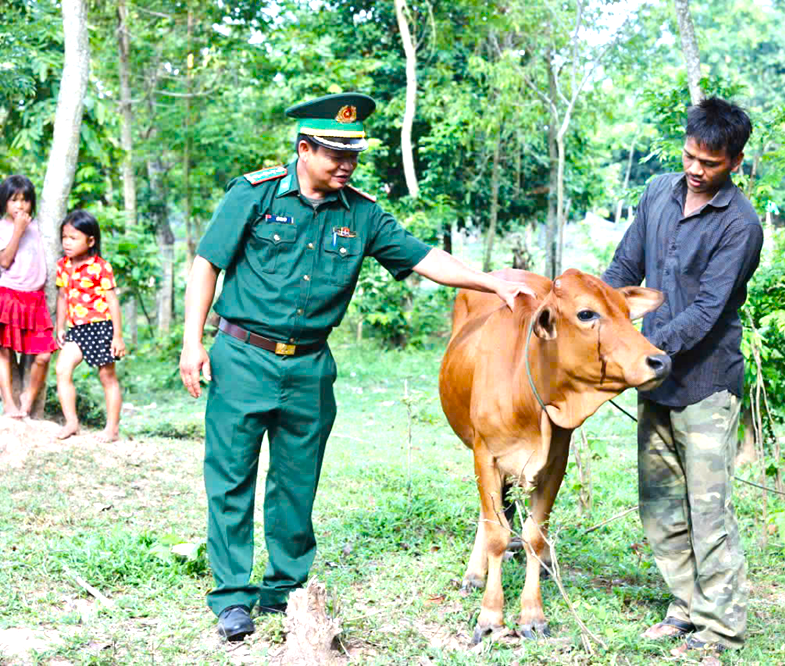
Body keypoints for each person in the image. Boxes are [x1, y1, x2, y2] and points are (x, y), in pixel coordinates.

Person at [178, 93, 535, 643]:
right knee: (231, 480)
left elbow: (423, 258)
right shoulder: (255, 195)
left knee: (297, 481)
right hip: (242, 354)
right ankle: (231, 598)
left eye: (353, 154)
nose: (346, 163)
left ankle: (285, 589)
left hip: (310, 367)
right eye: (333, 153)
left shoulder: (363, 213)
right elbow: (208, 263)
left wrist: (492, 282)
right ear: (304, 148)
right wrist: (191, 342)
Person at [602, 97, 763, 657]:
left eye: (710, 163)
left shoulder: (740, 225)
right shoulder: (657, 192)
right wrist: (596, 315)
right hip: (657, 380)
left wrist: (633, 349)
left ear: (735, 163)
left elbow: (705, 315)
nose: (696, 170)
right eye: (691, 156)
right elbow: (624, 269)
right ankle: (686, 609)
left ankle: (721, 630)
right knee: (662, 506)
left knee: (708, 512)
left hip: (706, 385)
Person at [53, 210, 127, 442]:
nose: (67, 242)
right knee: (62, 370)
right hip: (76, 330)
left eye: (73, 238)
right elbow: (62, 297)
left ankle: (112, 429)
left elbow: (112, 301)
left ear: (91, 240)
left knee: (107, 377)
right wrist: (60, 326)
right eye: (64, 237)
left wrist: (118, 336)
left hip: (100, 327)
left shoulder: (101, 267)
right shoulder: (63, 266)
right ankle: (71, 422)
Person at [0, 175, 57, 418]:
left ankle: (28, 397)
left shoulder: (39, 226)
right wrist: (18, 231)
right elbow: (4, 260)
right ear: (4, 202)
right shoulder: (3, 226)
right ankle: (9, 403)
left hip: (35, 300)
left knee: (43, 355)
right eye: (14, 200)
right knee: (3, 351)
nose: (20, 206)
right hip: (9, 296)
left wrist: (26, 227)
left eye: (25, 200)